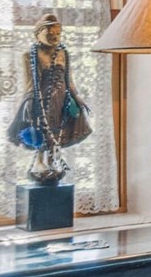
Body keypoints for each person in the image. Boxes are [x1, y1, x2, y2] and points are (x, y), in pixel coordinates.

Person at [10, 11, 93, 184]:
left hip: (61, 97)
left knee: (59, 129)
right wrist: (29, 100)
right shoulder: (30, 55)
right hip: (41, 98)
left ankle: (53, 161)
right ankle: (40, 162)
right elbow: (29, 82)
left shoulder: (63, 53)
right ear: (38, 34)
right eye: (50, 34)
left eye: (58, 34)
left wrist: (77, 97)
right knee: (42, 128)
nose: (54, 37)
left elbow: (69, 79)